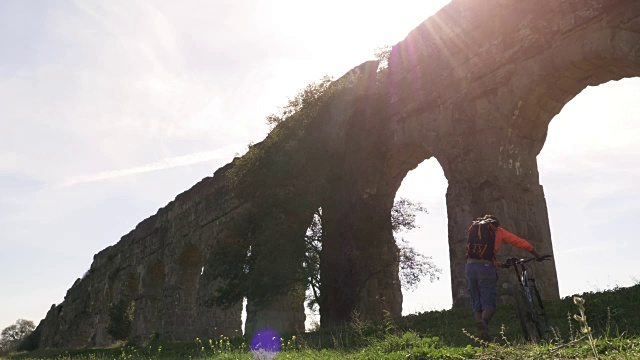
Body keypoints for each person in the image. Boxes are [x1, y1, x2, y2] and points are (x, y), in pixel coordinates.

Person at [465, 214, 543, 342]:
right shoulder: (498, 231)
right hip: (486, 268)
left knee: (477, 303)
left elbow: (478, 255)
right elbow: (519, 242)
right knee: (488, 302)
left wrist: (497, 264)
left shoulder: (474, 230)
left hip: (470, 267)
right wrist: (536, 254)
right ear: (496, 225)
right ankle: (484, 321)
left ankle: (483, 335)